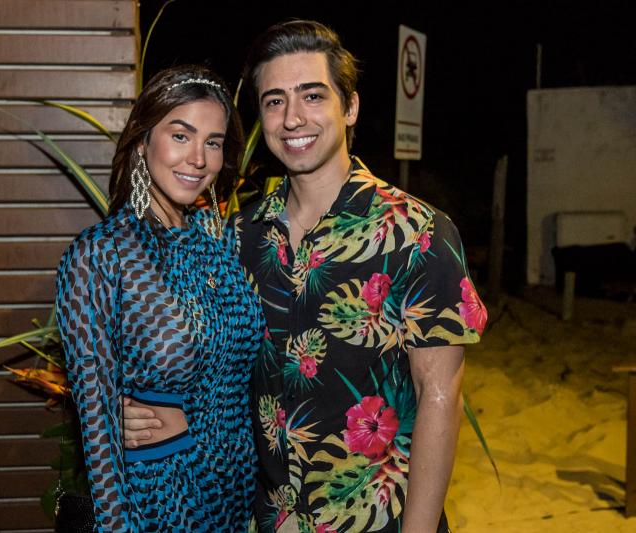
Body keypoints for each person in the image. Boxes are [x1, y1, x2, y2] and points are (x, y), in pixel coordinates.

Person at [124, 20, 488, 533]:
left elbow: (440, 395)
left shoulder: (418, 232)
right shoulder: (238, 237)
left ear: (350, 107)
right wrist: (156, 414)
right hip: (266, 519)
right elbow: (223, 376)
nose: (293, 117)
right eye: (275, 101)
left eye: (312, 95)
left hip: (379, 521)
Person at [55, 65, 265, 532]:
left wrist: (194, 418)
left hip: (232, 492)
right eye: (181, 135)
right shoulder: (100, 255)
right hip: (160, 497)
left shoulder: (217, 246)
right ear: (143, 140)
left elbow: (234, 374)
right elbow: (98, 437)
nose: (199, 158)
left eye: (213, 142)